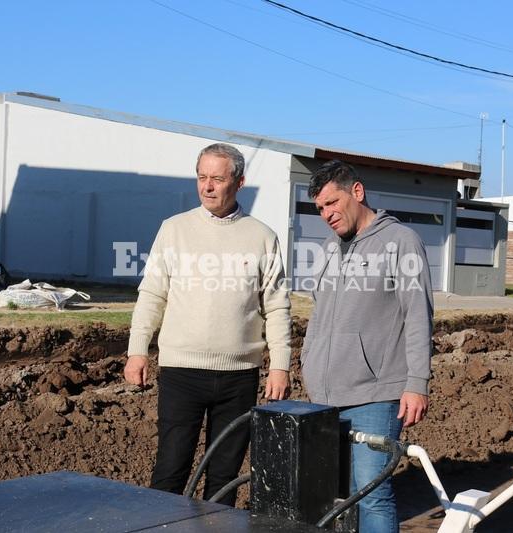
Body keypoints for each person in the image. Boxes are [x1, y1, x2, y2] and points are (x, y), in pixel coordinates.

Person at [124, 143, 291, 506]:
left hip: (238, 377)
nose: (207, 186)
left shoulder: (262, 237)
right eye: (202, 177)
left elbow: (276, 307)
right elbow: (152, 294)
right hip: (181, 371)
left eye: (217, 178)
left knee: (223, 478)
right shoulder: (174, 230)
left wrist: (279, 365)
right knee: (170, 471)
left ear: (240, 181)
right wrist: (137, 350)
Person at [301, 160, 433, 532]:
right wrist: (309, 359)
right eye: (320, 208)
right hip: (325, 396)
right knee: (338, 496)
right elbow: (321, 312)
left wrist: (417, 382)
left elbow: (417, 315)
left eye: (332, 203)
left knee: (372, 493)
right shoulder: (329, 248)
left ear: (356, 192)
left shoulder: (400, 242)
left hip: (376, 394)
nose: (326, 214)